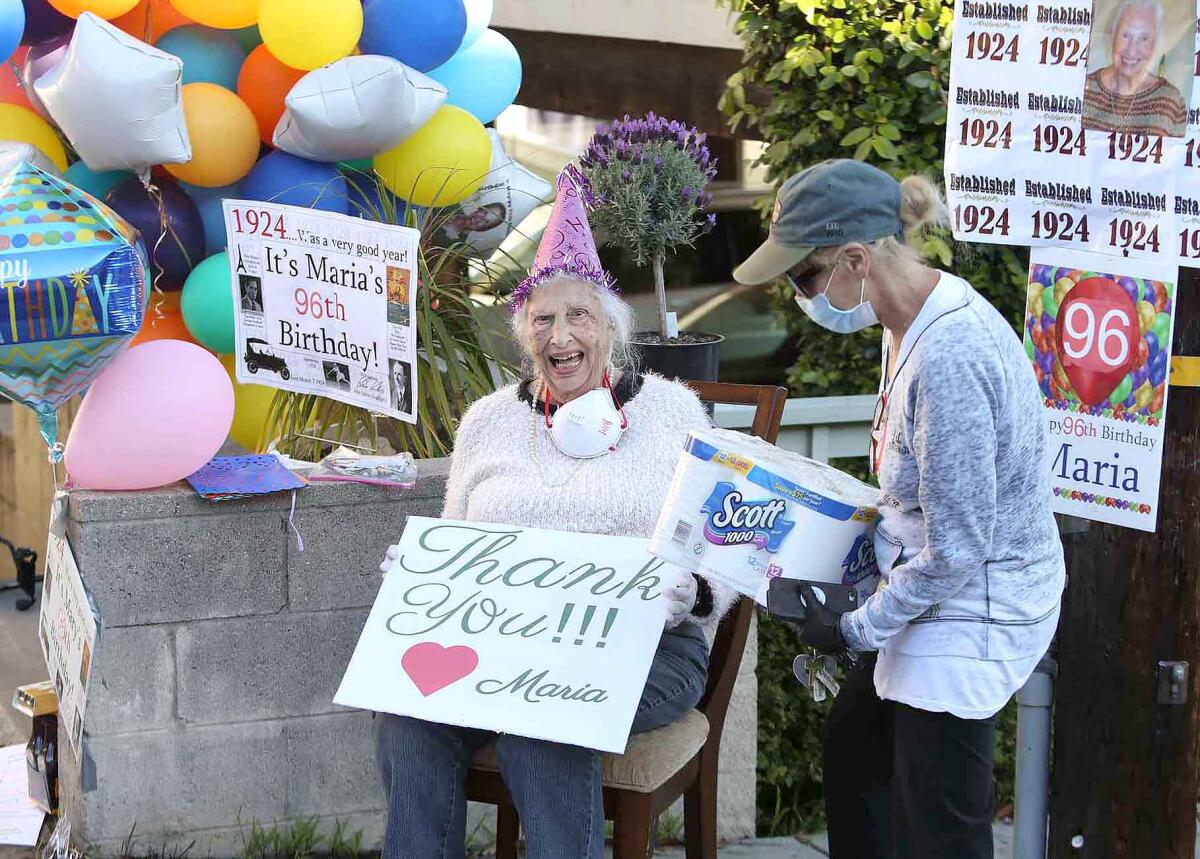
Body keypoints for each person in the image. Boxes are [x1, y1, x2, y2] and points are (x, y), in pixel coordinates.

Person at [374, 170, 736, 859]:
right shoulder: (487, 421)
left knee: (541, 716)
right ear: (523, 333)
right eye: (543, 318)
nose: (560, 334)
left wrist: (694, 591)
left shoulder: (671, 413)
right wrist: (418, 572)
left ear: (610, 328)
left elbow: (722, 547)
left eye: (579, 316)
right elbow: (458, 541)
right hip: (509, 645)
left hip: (649, 650)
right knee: (409, 714)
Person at [734, 159, 1065, 859]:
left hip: (975, 610)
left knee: (938, 829)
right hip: (937, 591)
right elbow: (915, 502)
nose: (800, 296)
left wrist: (853, 626)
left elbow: (957, 550)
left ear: (855, 259)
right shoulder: (907, 316)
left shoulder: (948, 358)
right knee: (857, 756)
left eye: (803, 278)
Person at [1082, 0, 1188, 137]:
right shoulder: (1084, 90)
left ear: (1155, 44)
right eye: (1125, 35)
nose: (1131, 50)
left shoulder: (1170, 102)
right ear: (1113, 36)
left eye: (1144, 38)